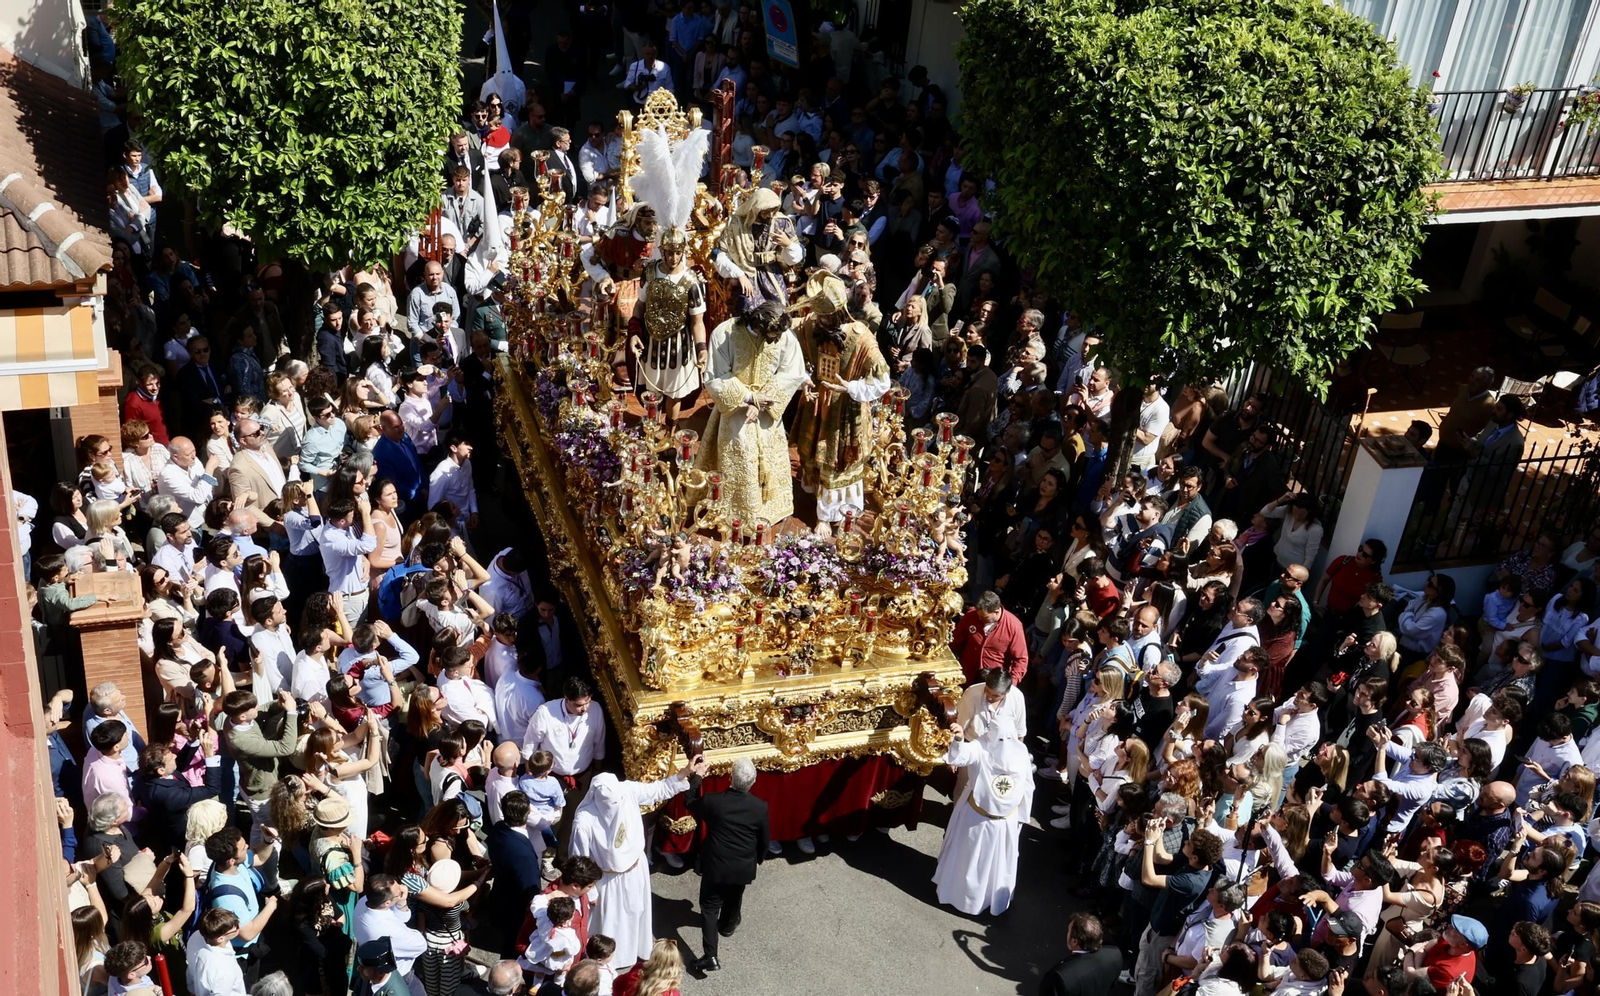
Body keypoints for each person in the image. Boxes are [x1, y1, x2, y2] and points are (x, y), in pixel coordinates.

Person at [568, 754, 704, 965]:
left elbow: (658, 790)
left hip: (634, 869)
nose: (614, 807)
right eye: (608, 803)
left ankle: (634, 952)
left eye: (616, 802)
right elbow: (579, 860)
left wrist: (685, 773)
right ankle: (609, 960)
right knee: (610, 922)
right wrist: (591, 891)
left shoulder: (627, 791)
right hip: (606, 880)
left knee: (634, 912)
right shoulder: (584, 821)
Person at [791, 270, 891, 530]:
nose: (819, 321)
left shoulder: (861, 337)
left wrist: (853, 387)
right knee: (813, 455)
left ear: (838, 312)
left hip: (846, 411)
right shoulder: (810, 325)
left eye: (825, 316)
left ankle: (828, 515)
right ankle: (819, 506)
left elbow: (883, 379)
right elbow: (789, 348)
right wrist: (803, 377)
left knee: (836, 462)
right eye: (817, 315)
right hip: (817, 403)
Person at [693, 302, 807, 526]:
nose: (775, 341)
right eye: (771, 337)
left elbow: (792, 371)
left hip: (767, 412)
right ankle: (736, 513)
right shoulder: (725, 333)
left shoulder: (782, 334)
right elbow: (716, 374)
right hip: (735, 412)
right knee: (740, 454)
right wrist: (748, 398)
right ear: (758, 325)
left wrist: (763, 400)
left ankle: (767, 509)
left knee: (768, 459)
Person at [933, 715, 1034, 915]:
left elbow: (1027, 786)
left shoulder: (1021, 752)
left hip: (1002, 822)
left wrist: (1020, 818)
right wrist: (960, 739)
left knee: (988, 866)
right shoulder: (981, 747)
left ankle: (988, 900)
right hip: (977, 819)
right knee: (970, 863)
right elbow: (959, 756)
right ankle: (962, 898)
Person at [686, 757, 769, 973]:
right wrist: (757, 860)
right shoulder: (760, 807)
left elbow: (690, 801)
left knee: (709, 908)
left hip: (716, 865)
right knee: (734, 895)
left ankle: (710, 955)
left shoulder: (714, 802)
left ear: (730, 778)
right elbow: (764, 840)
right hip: (743, 866)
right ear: (753, 782)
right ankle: (728, 926)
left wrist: (698, 777)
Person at [951, 591, 1030, 686]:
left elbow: (1021, 659)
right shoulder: (971, 616)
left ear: (996, 611)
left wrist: (1011, 684)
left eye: (984, 617)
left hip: (993, 682)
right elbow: (955, 640)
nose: (979, 619)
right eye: (978, 615)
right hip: (967, 677)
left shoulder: (1014, 626)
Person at [1038, 912, 1122, 996]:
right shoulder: (1114, 954)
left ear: (1074, 941)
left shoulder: (1059, 977)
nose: (1067, 933)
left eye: (1068, 931)